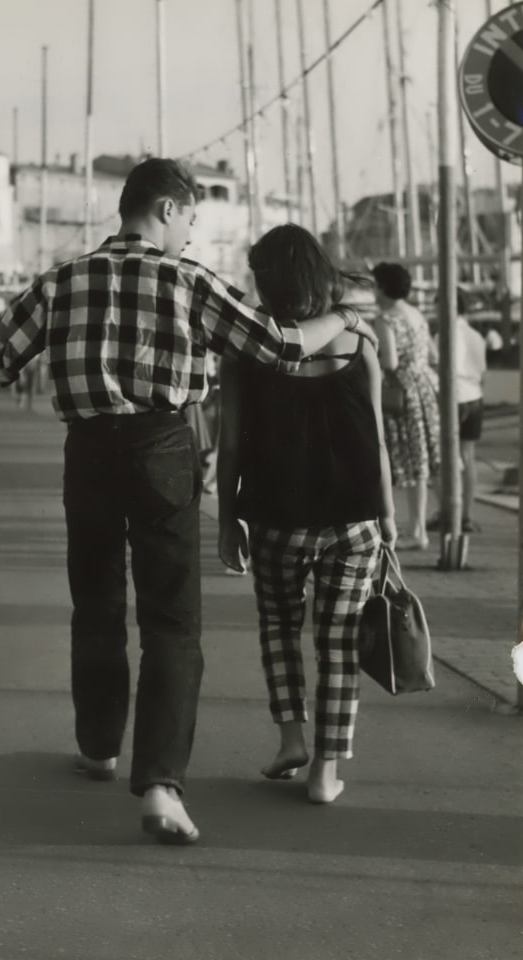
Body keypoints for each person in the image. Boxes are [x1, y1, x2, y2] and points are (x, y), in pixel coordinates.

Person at [0, 158, 377, 844]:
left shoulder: (60, 282)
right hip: (161, 448)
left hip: (88, 452)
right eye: (188, 219)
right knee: (171, 623)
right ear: (164, 208)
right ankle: (159, 786)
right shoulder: (188, 280)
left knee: (95, 605)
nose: (189, 235)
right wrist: (341, 312)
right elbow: (280, 346)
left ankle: (98, 747)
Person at [217, 224, 396, 805]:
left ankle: (291, 738)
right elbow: (376, 434)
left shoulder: (248, 352)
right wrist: (388, 517)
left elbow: (232, 446)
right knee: (339, 643)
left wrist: (226, 520)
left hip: (275, 517)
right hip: (353, 519)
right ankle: (325, 772)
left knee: (279, 628)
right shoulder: (358, 340)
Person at [372, 262, 440, 550]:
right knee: (420, 461)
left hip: (401, 391)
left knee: (401, 460)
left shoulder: (385, 318)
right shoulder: (416, 314)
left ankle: (406, 529)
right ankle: (418, 529)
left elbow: (390, 362)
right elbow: (433, 353)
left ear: (383, 287)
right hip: (424, 387)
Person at [428, 288, 487, 534]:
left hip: (453, 397)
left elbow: (444, 368)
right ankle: (467, 516)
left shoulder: (447, 334)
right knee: (468, 456)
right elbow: (483, 372)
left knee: (440, 458)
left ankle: (446, 511)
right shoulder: (476, 335)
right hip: (475, 396)